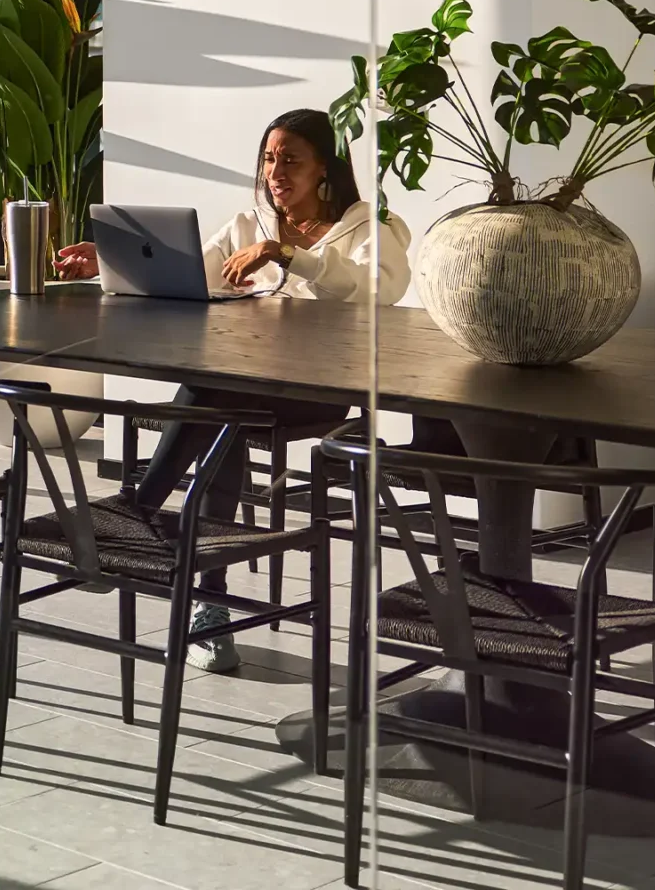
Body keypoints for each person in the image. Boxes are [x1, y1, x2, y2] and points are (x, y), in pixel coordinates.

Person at [54, 107, 410, 672]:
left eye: (291, 159)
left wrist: (289, 255)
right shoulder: (250, 222)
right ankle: (209, 605)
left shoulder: (370, 226)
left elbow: (380, 291)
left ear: (326, 169)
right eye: (269, 159)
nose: (276, 171)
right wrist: (110, 258)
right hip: (245, 385)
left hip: (320, 390)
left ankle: (135, 515)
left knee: (213, 396)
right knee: (221, 405)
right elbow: (188, 271)